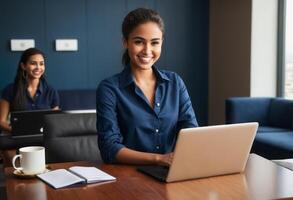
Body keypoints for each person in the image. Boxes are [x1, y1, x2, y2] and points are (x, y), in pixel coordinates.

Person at [96, 8, 198, 166]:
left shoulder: (175, 82)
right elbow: (109, 148)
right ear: (125, 42)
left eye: (155, 43)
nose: (147, 51)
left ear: (162, 42)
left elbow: (191, 130)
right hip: (128, 178)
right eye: (139, 42)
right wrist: (160, 159)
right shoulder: (109, 89)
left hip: (171, 173)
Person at [0, 48, 60, 133]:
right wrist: (20, 131)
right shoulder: (9, 90)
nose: (38, 67)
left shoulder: (51, 91)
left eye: (41, 64)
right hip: (18, 137)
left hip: (44, 138)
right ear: (23, 66)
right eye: (33, 63)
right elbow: (1, 122)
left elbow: (55, 121)